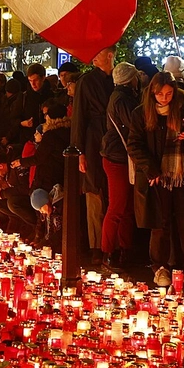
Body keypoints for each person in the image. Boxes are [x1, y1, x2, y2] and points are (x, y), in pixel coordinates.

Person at [127, 71, 184, 288]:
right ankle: (159, 266)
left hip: (182, 172)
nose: (164, 98)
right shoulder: (141, 113)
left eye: (169, 94)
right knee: (160, 222)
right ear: (152, 92)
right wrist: (152, 169)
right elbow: (134, 144)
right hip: (157, 175)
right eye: (160, 94)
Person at [72, 46, 116, 264]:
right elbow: (78, 117)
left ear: (110, 55)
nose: (94, 55)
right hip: (92, 140)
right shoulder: (86, 81)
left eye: (98, 52)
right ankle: (96, 246)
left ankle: (113, 245)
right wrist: (78, 151)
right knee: (94, 192)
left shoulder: (119, 78)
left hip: (115, 139)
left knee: (115, 193)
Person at [102, 62, 141, 269]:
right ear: (130, 79)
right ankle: (109, 252)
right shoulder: (123, 99)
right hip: (118, 157)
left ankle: (123, 250)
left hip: (117, 155)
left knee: (124, 208)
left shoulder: (118, 97)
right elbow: (135, 123)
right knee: (117, 207)